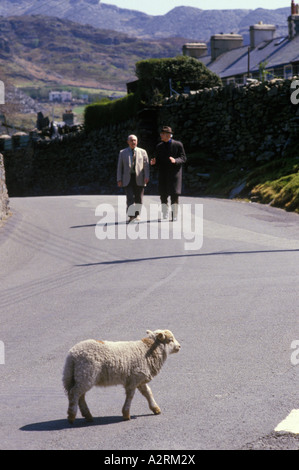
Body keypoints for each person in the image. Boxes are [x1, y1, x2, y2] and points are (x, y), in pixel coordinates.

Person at [150, 126, 187, 221]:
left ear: (168, 135)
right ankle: (165, 212)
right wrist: (154, 163)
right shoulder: (159, 146)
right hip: (163, 174)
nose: (161, 135)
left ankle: (174, 215)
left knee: (174, 195)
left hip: (175, 174)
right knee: (163, 195)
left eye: (162, 134)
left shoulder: (178, 145)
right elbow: (158, 161)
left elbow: (183, 158)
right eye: (161, 133)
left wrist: (175, 160)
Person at [117, 134, 149, 222]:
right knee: (130, 197)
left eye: (134, 140)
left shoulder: (143, 152)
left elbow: (146, 166)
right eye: (131, 140)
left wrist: (146, 176)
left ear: (137, 141)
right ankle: (131, 216)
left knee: (139, 198)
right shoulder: (122, 152)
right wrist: (119, 179)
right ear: (128, 142)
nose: (133, 142)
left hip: (139, 178)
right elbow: (120, 167)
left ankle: (137, 214)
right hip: (127, 178)